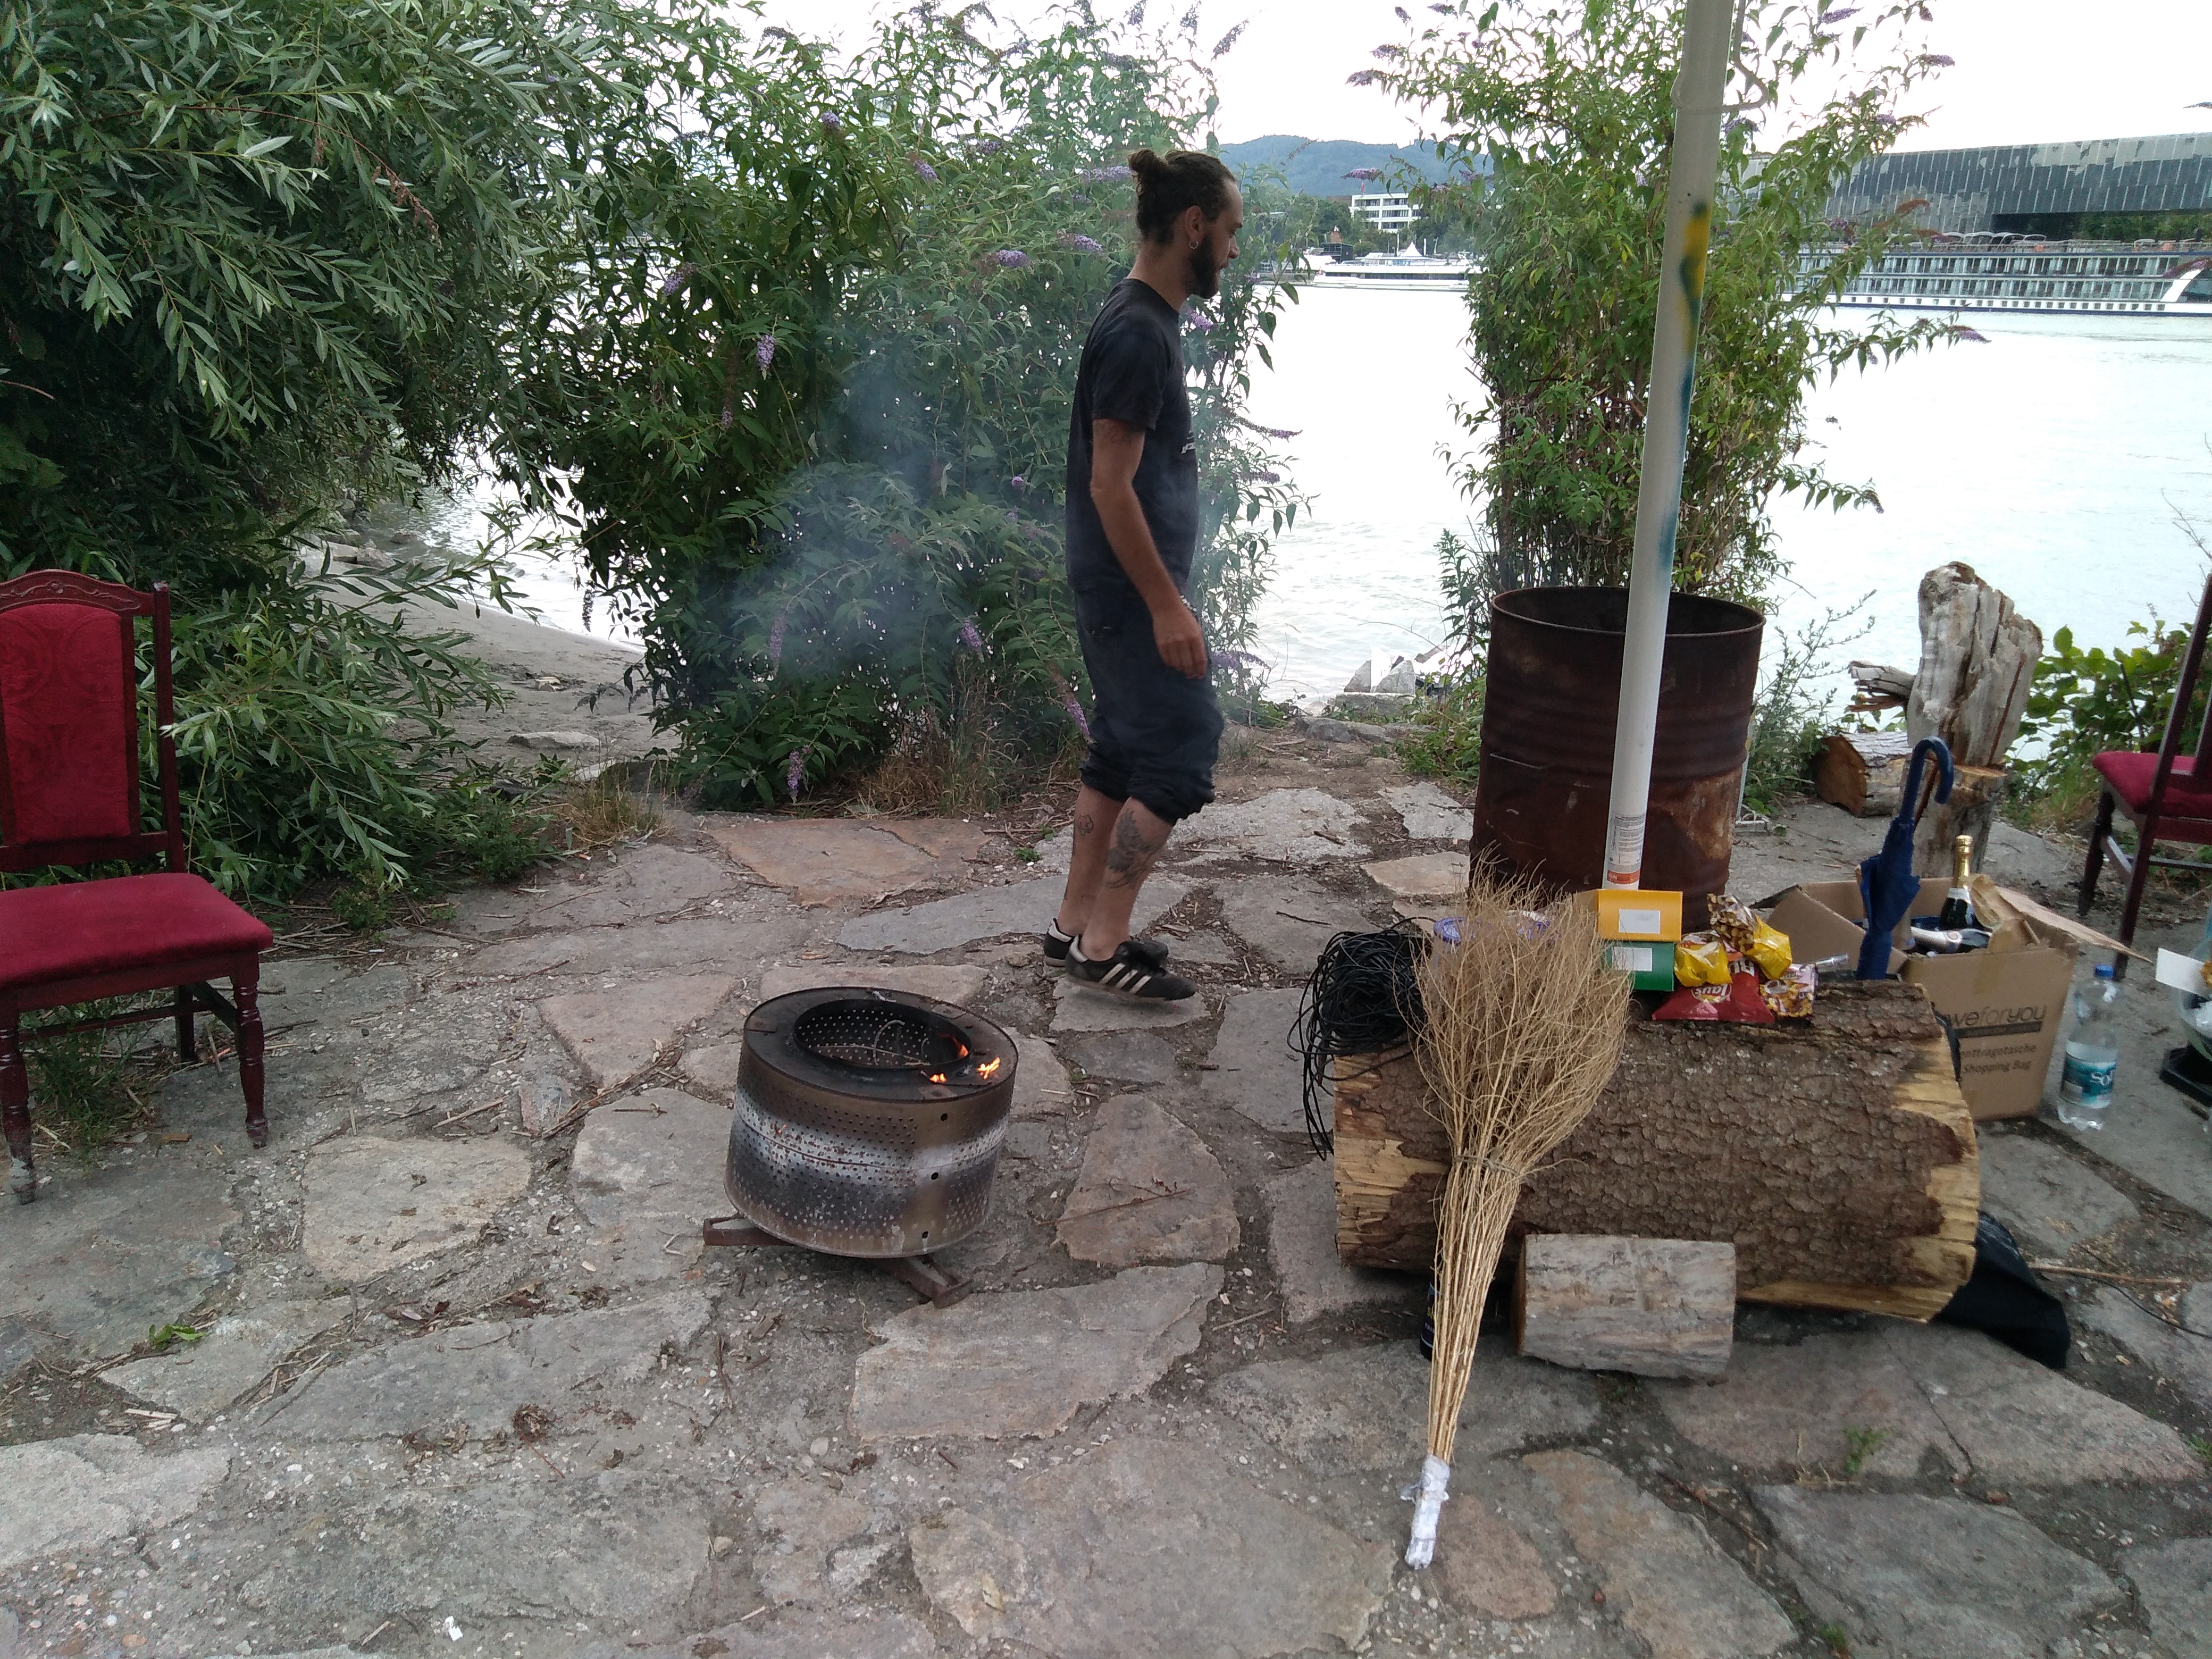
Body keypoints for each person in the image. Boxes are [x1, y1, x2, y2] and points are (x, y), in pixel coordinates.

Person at [1043, 147, 1242, 1001]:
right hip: (1130, 594)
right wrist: (1168, 607)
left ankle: (1072, 927)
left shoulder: (1140, 319)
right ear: (1192, 225)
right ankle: (1103, 947)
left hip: (1115, 587)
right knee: (1184, 747)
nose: (1233, 250)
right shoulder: (1136, 333)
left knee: (1120, 750)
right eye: (1230, 232)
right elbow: (1108, 483)